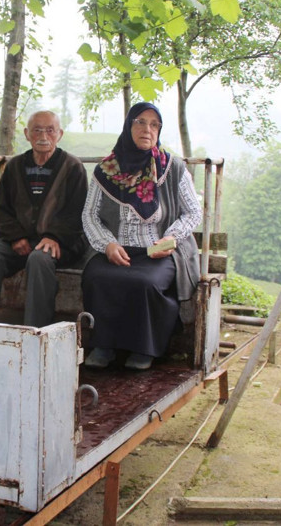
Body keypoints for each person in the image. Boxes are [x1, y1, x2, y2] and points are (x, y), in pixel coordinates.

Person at [81, 102, 202, 370]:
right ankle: (104, 346)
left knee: (146, 282)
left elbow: (193, 212)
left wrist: (169, 240)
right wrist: (107, 244)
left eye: (154, 124)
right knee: (97, 277)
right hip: (118, 248)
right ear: (128, 126)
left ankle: (145, 349)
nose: (147, 129)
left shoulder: (173, 168)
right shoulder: (106, 170)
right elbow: (89, 214)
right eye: (140, 122)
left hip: (158, 250)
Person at [0, 110, 88, 327]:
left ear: (59, 134)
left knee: (39, 258)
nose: (44, 136)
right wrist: (15, 236)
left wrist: (54, 236)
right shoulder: (15, 166)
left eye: (50, 130)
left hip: (62, 243)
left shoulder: (72, 167)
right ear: (27, 134)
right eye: (37, 130)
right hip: (20, 240)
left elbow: (77, 212)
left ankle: (35, 331)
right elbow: (2, 208)